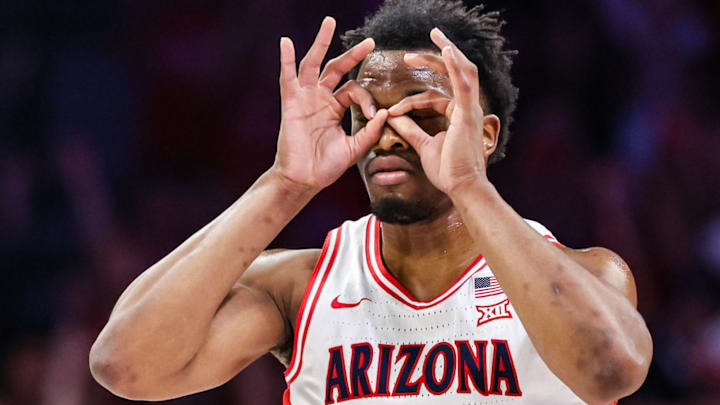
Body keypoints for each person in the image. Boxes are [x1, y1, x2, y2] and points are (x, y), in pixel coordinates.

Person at [89, 1, 653, 404]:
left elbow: (610, 371)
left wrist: (469, 186)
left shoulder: (588, 274)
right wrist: (285, 184)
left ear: (483, 135)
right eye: (370, 112)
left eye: (421, 112)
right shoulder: (299, 287)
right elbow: (126, 365)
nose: (388, 133)